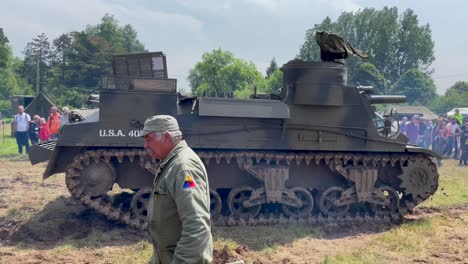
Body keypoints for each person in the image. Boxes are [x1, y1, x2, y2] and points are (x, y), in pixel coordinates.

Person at [141, 115, 213, 264]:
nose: (145, 145)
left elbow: (197, 225)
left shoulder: (183, 169)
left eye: (149, 139)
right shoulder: (172, 163)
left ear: (166, 137)